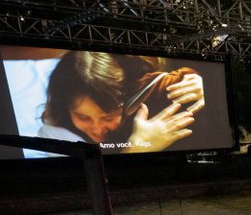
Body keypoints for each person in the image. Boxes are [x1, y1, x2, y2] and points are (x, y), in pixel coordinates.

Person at [38, 50, 205, 153]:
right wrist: (138, 148)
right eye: (83, 117)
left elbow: (171, 81)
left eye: (108, 117)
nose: (97, 129)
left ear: (125, 97)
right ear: (65, 108)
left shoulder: (146, 90)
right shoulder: (54, 132)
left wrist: (198, 82)